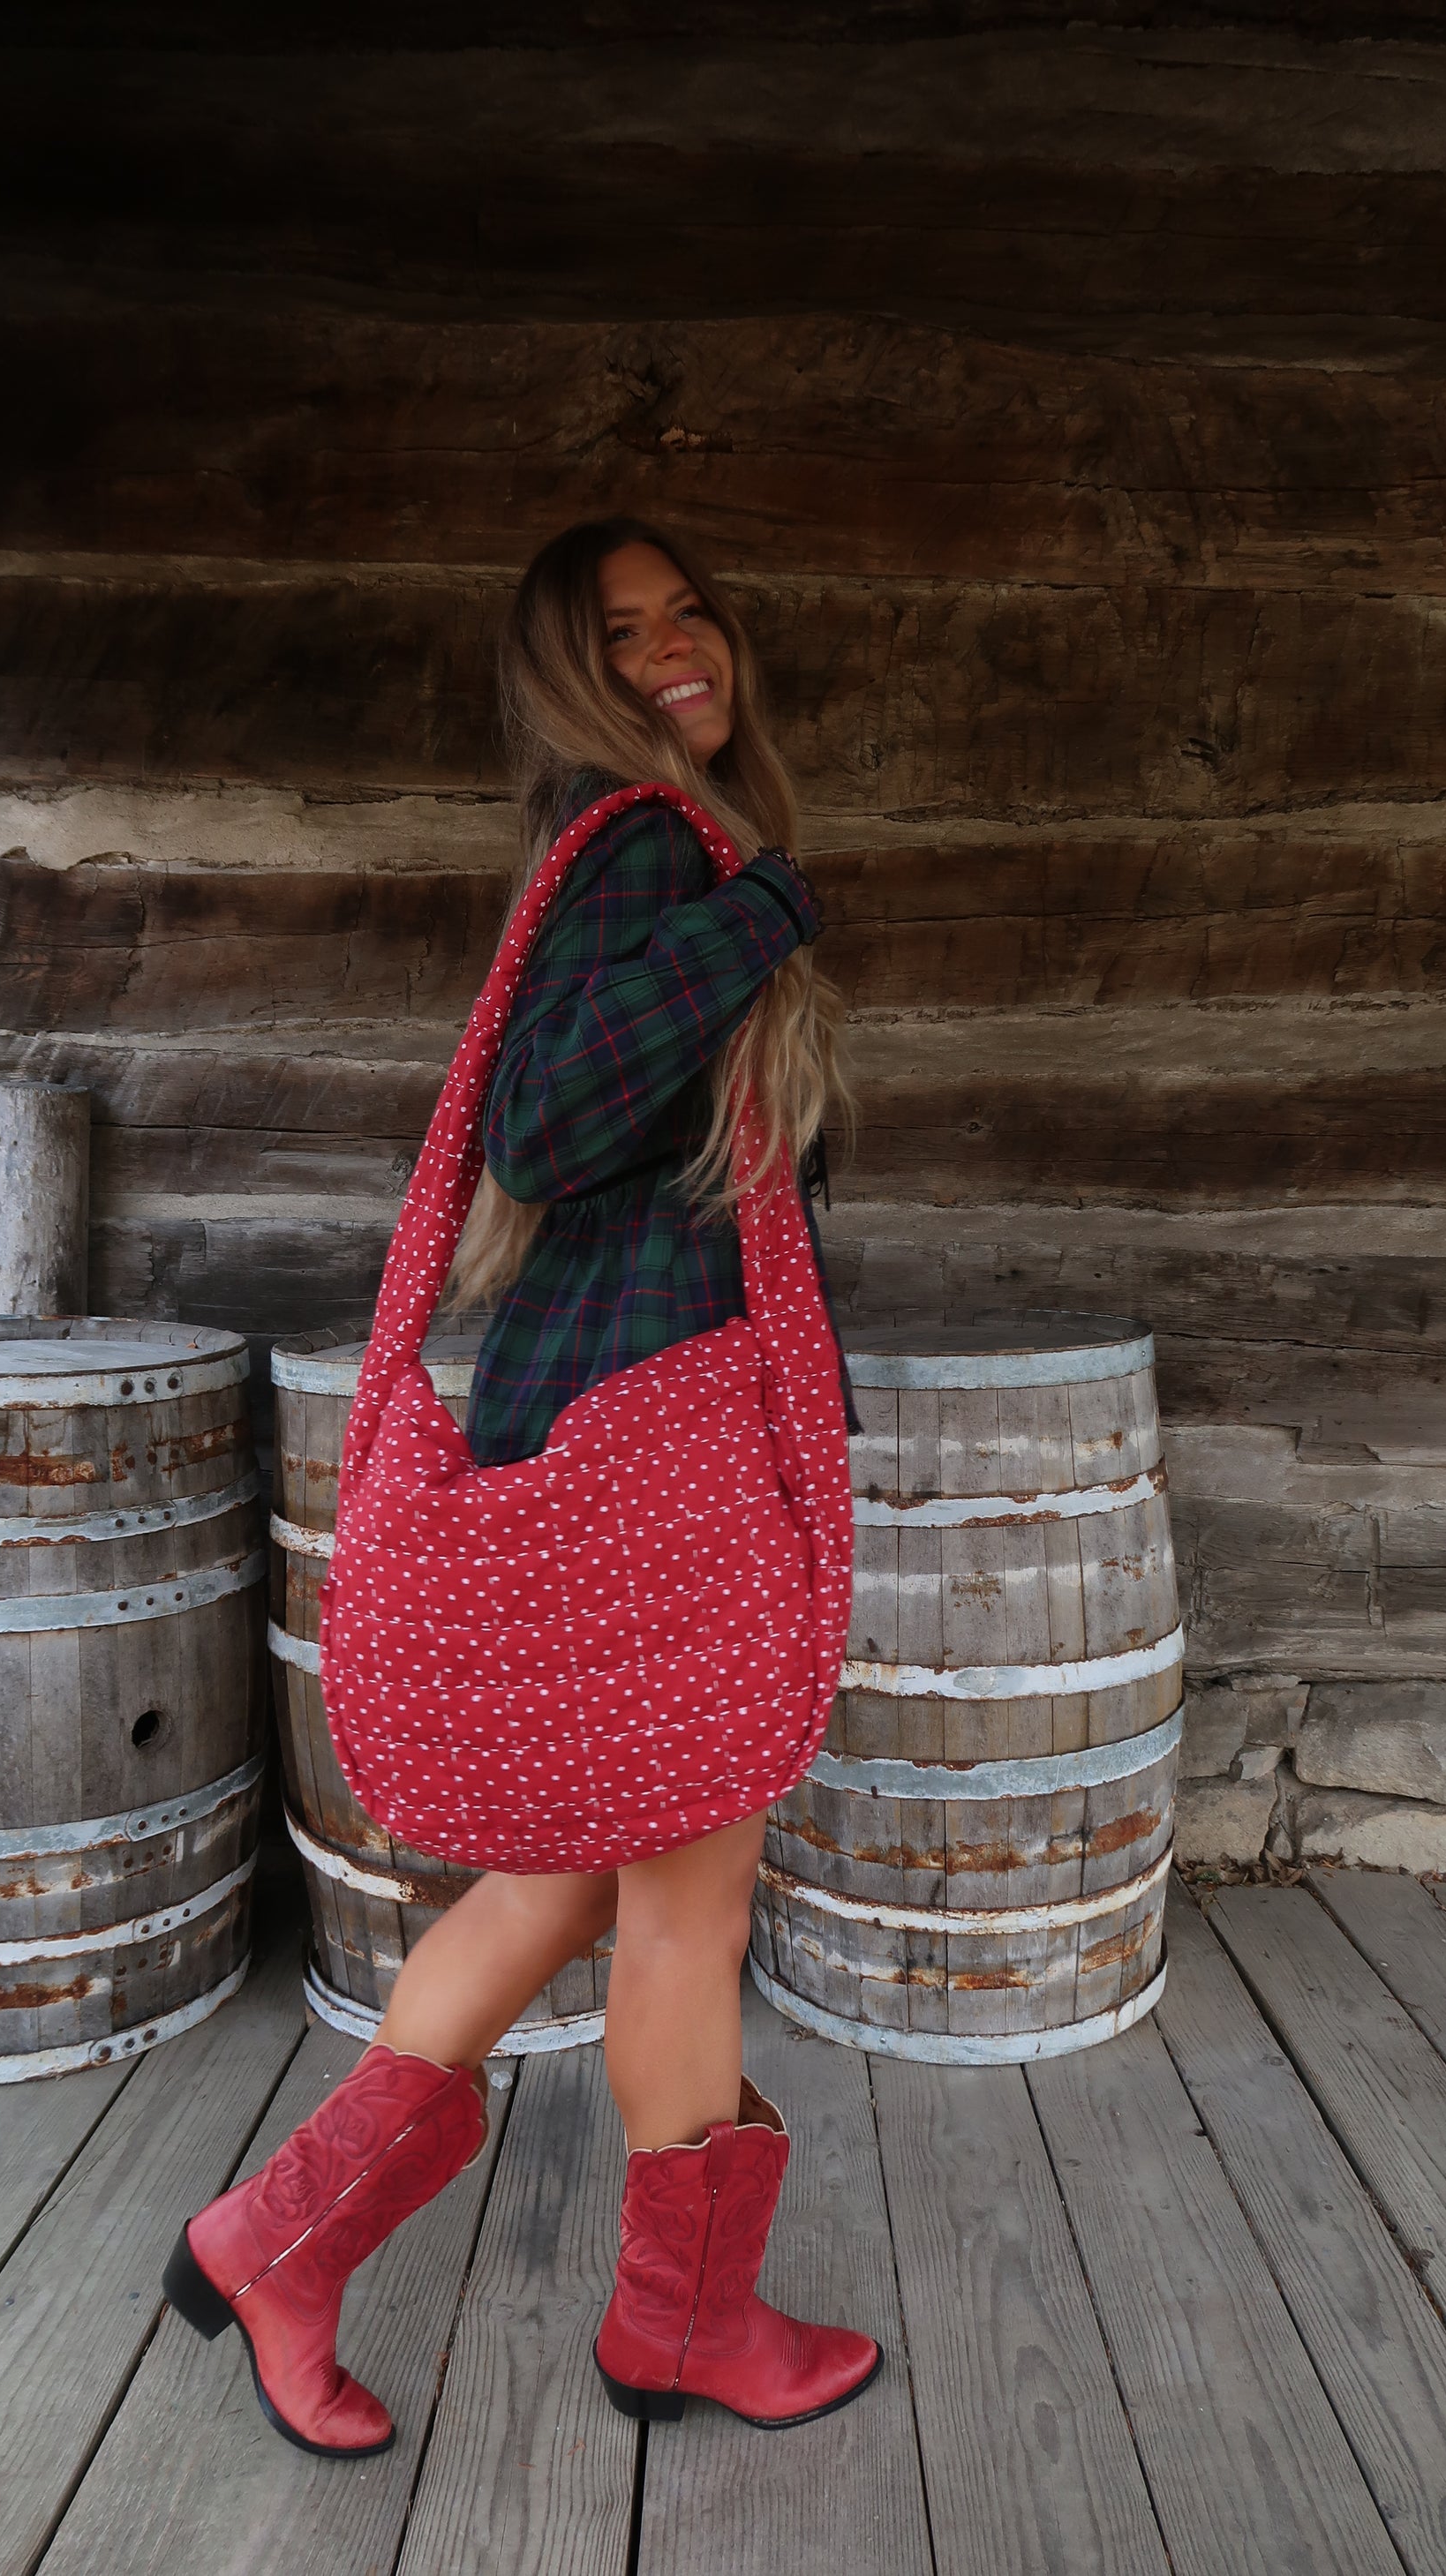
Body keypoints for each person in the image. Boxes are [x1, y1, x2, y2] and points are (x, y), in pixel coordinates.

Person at [162, 517, 881, 2456]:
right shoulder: (655, 851)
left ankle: (272, 2245)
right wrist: (764, 906)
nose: (673, 646)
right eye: (619, 631)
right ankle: (682, 2327)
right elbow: (547, 1120)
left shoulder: (640, 852)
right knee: (686, 1912)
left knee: (569, 1884)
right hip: (658, 1432)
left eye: (688, 612)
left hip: (600, 1409)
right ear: (569, 679)